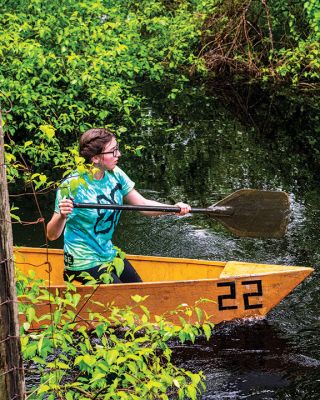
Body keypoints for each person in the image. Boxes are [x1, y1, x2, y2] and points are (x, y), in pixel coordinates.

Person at [47, 127, 191, 284]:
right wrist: (62, 215)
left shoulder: (115, 173)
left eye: (118, 149)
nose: (119, 155)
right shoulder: (73, 185)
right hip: (82, 261)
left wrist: (173, 208)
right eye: (113, 151)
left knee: (139, 290)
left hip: (108, 253)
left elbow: (142, 205)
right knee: (125, 300)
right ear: (95, 158)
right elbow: (52, 235)